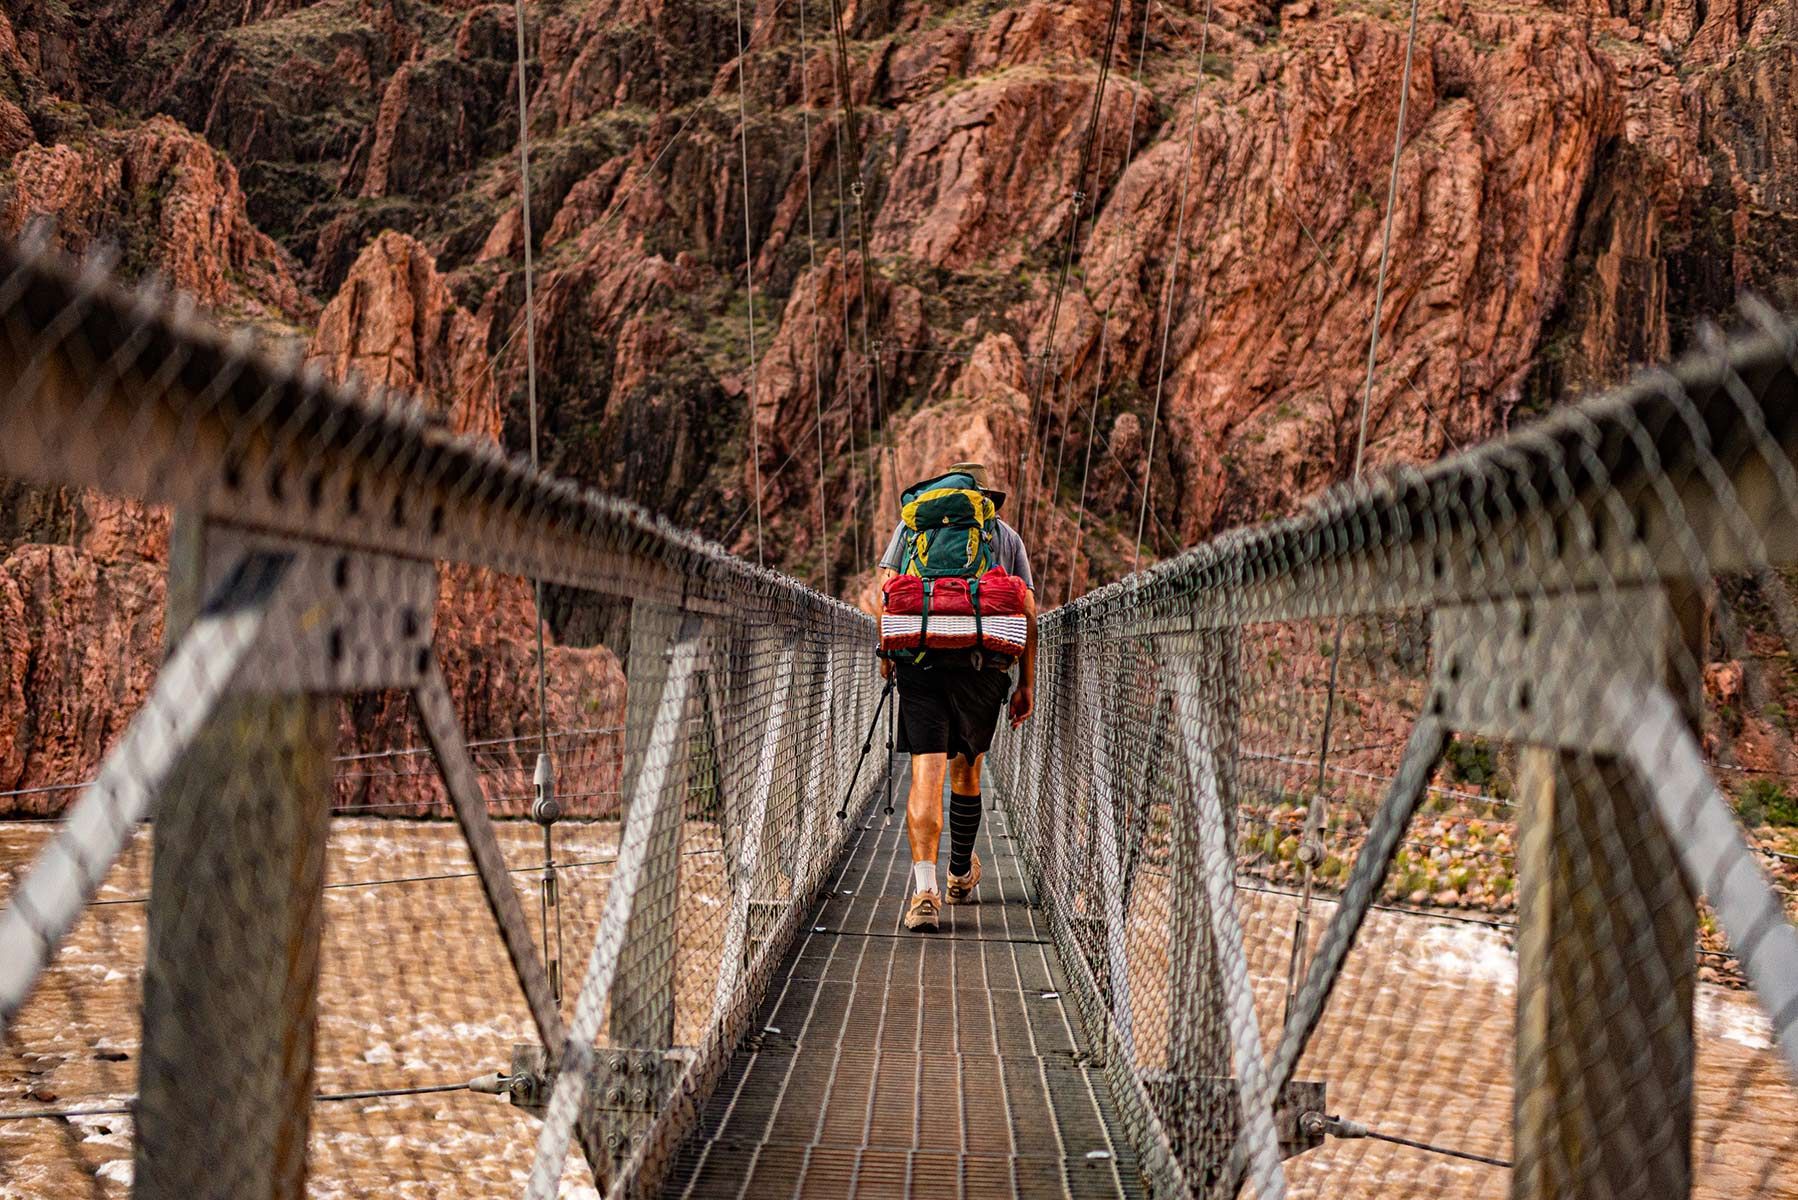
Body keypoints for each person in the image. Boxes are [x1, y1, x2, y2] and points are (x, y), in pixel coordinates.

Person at [875, 461, 1036, 932]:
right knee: (966, 769)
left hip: (920, 660)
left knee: (926, 771)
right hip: (981, 666)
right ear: (983, 495)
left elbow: (886, 591)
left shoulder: (913, 525)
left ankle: (924, 892)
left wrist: (888, 652)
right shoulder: (1002, 535)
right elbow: (1026, 607)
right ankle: (960, 875)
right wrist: (1026, 682)